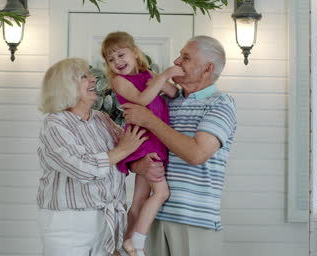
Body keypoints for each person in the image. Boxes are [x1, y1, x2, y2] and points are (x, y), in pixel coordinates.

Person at [122, 35, 237, 256]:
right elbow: (138, 148)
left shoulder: (221, 104)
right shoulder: (164, 103)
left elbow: (196, 154)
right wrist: (139, 166)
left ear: (207, 69)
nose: (176, 61)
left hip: (194, 222)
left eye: (185, 57)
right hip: (150, 223)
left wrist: (149, 120)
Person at [36, 57, 149, 256]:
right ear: (65, 86)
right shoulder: (55, 124)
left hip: (107, 221)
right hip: (69, 224)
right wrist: (123, 150)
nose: (93, 80)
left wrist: (141, 162)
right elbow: (82, 168)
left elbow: (130, 151)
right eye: (84, 77)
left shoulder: (101, 118)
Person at [100, 31, 184, 256]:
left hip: (155, 142)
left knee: (138, 201)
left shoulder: (148, 75)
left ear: (134, 53)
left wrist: (162, 80)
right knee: (161, 192)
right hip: (144, 142)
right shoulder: (119, 81)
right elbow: (142, 100)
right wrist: (164, 74)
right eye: (111, 59)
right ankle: (136, 243)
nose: (117, 61)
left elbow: (174, 93)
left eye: (121, 54)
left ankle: (120, 247)